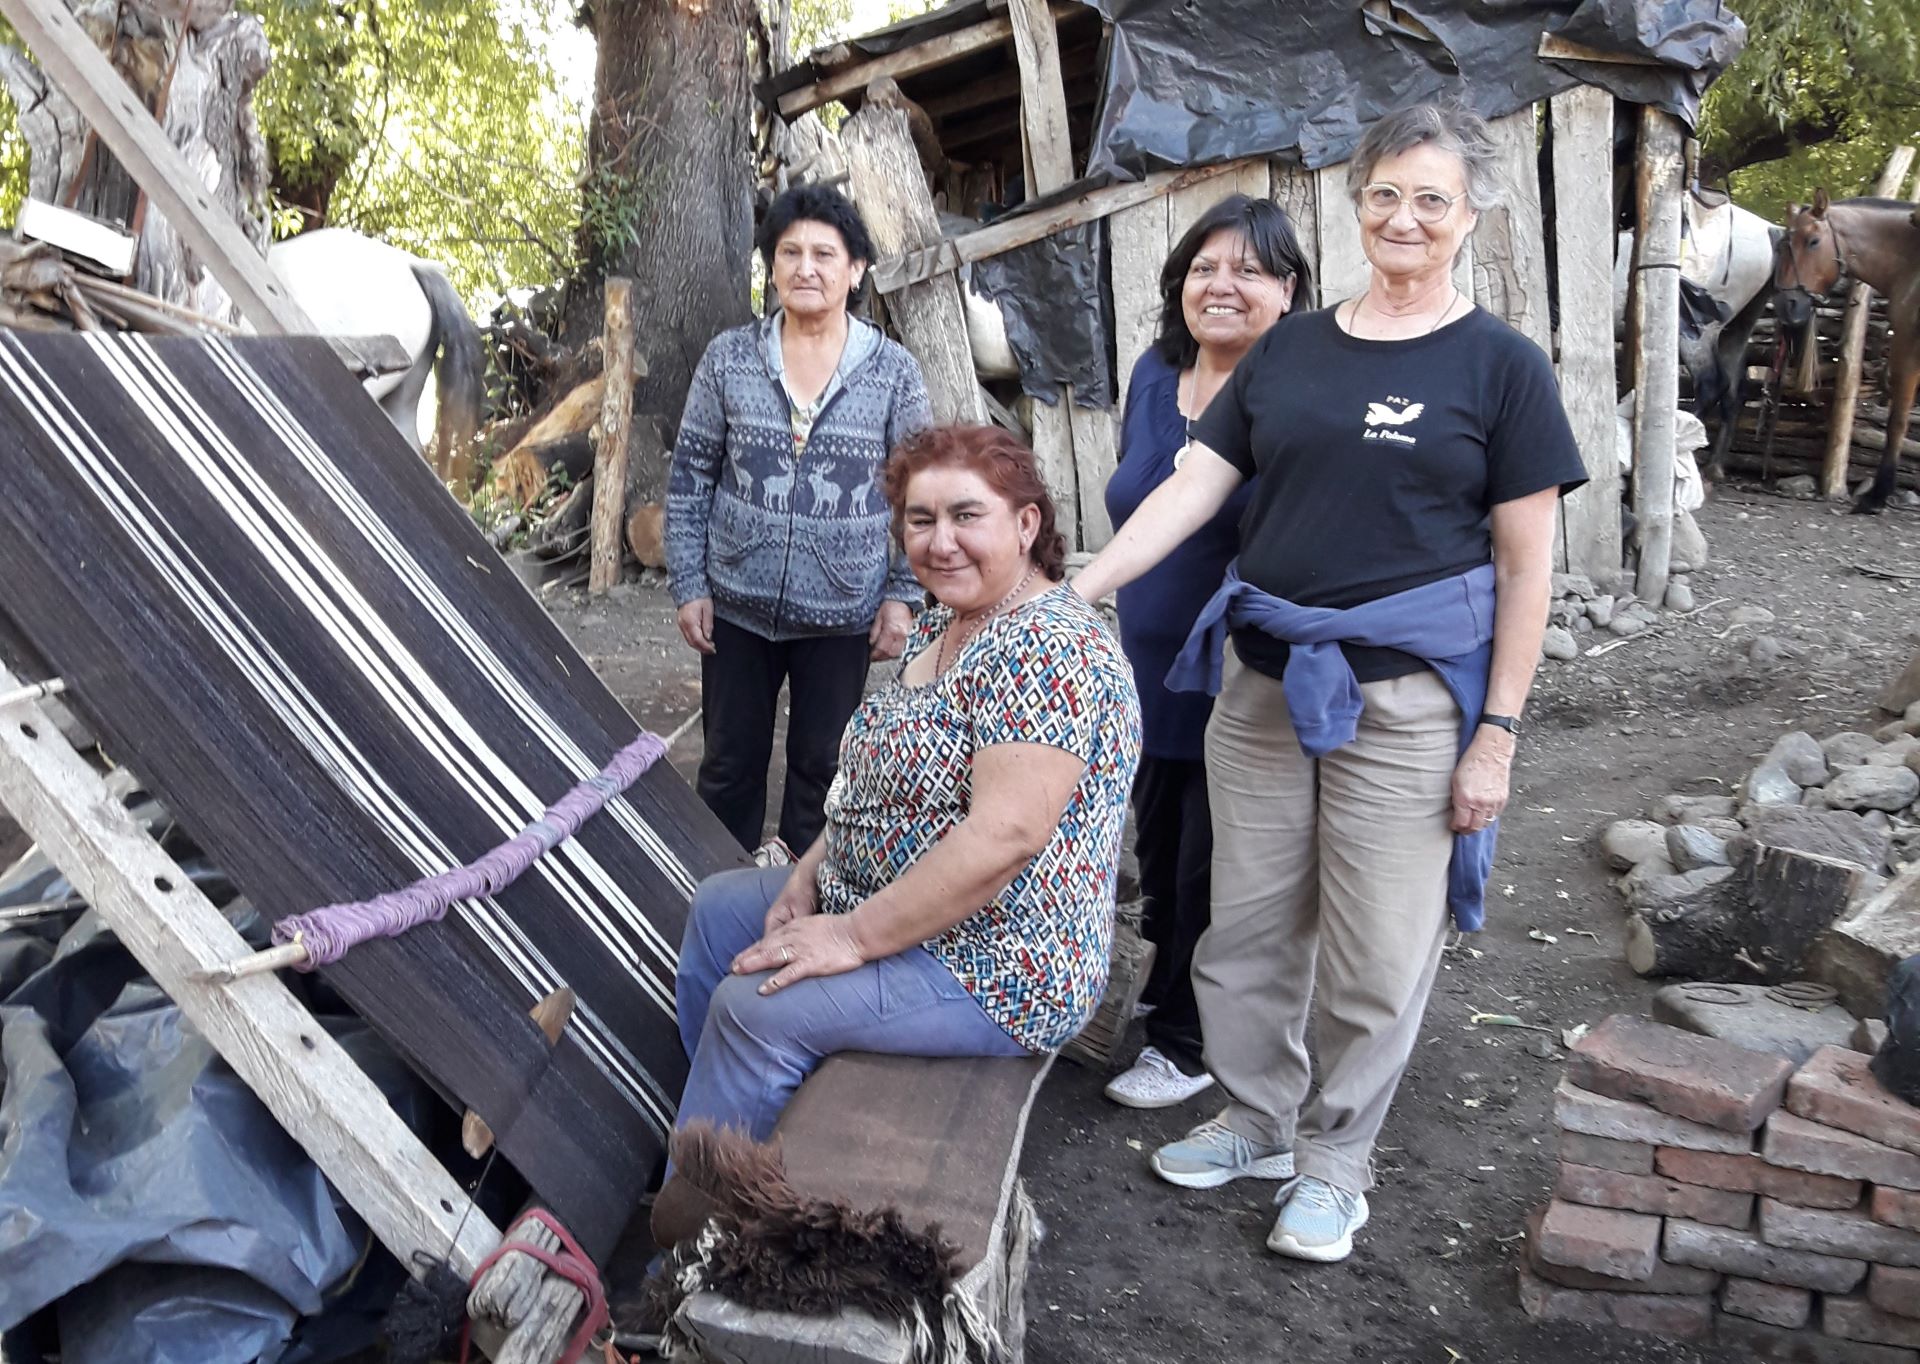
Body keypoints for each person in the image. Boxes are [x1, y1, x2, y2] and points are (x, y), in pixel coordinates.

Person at [1073, 104, 1588, 1263]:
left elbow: (1527, 567)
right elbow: (1194, 486)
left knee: (1377, 948)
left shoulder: (1502, 369)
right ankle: (1257, 1120)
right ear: (1354, 204)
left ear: (1470, 216)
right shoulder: (1293, 352)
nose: (1404, 219)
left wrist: (1496, 731)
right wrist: (1087, 585)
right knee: (1246, 925)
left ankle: (1337, 1160)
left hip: (1405, 699)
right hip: (1260, 681)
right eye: (1385, 195)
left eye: (1431, 199)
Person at [669, 422, 1142, 1155]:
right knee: (722, 909)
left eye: (965, 516)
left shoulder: (1049, 648)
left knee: (755, 1010)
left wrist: (851, 936)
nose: (939, 541)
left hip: (998, 959)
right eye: (920, 521)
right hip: (893, 898)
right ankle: (710, 1121)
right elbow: (876, 779)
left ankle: (709, 1222)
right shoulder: (946, 623)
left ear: (1026, 524)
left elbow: (1004, 839)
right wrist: (809, 872)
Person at [1102, 195, 1314, 1111]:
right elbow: (1136, 504)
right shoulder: (1156, 373)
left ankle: (1188, 1046)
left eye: (1249, 271)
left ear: (1290, 292)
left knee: (1213, 862)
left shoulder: (1298, 396)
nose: (1220, 286)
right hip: (1145, 673)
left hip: (1236, 676)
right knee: (1159, 845)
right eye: (1203, 268)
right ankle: (1158, 995)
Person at [665, 185, 932, 857]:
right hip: (737, 609)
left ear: (856, 270)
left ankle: (802, 915)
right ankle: (714, 896)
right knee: (727, 767)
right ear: (772, 265)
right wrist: (690, 583)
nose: (805, 268)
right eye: (789, 252)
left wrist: (902, 598)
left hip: (843, 613)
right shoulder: (730, 358)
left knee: (823, 772)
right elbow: (691, 476)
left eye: (824, 254)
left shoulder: (893, 373)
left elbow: (917, 496)